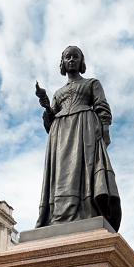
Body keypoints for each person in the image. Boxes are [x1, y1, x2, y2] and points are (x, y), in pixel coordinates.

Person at [35, 46, 121, 232]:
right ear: (63, 63)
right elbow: (50, 124)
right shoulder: (58, 93)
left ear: (81, 62)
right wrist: (47, 108)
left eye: (75, 57)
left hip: (84, 128)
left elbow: (102, 107)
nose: (71, 60)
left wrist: (104, 131)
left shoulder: (92, 83)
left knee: (84, 169)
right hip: (60, 133)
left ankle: (86, 209)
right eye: (68, 57)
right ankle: (58, 213)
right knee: (60, 175)